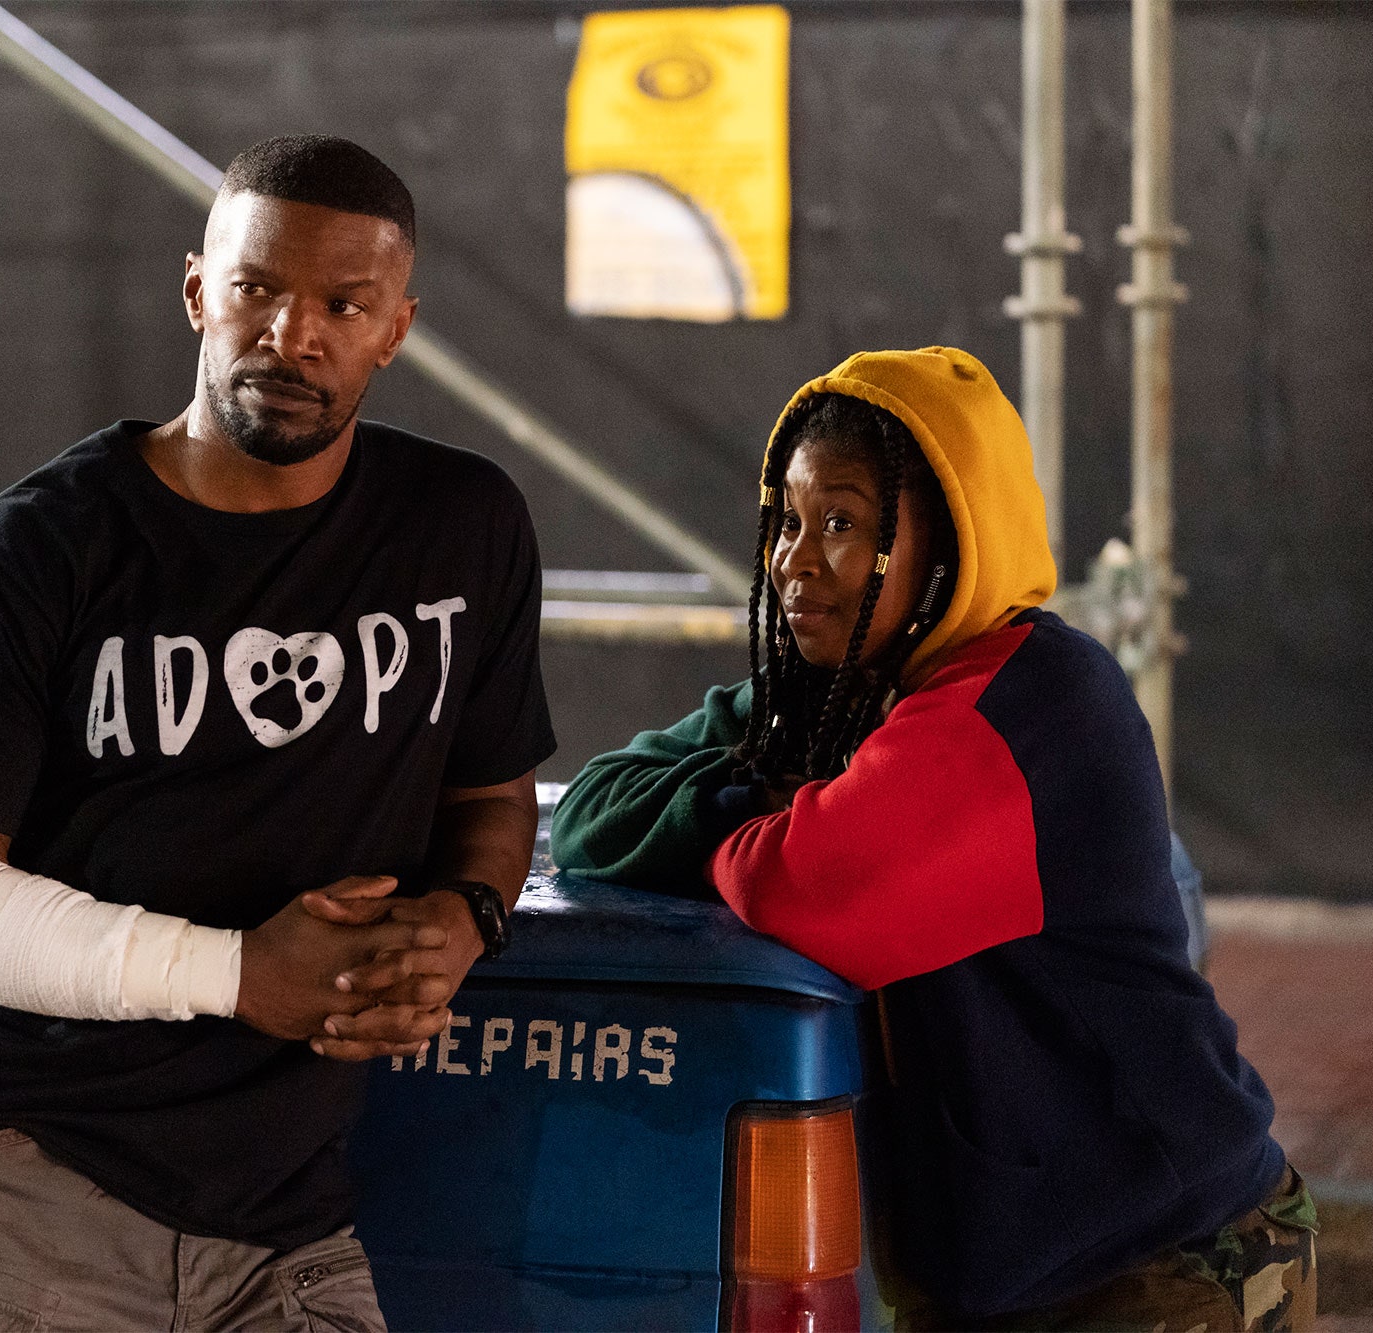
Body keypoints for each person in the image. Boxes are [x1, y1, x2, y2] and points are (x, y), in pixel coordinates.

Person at [0, 135, 555, 1332]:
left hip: (279, 1219)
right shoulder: (32, 549)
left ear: (395, 329)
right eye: (255, 287)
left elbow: (488, 795)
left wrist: (463, 917)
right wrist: (239, 973)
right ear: (195, 292)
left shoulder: (460, 525)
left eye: (342, 305)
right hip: (7, 1180)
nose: (291, 334)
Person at [550, 347, 1315, 1330]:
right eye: (786, 520)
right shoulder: (831, 699)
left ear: (954, 534)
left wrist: (758, 813)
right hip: (1007, 1270)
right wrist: (761, 794)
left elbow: (802, 882)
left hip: (1161, 1261)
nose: (794, 559)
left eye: (841, 523)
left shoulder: (1033, 703)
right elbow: (593, 809)